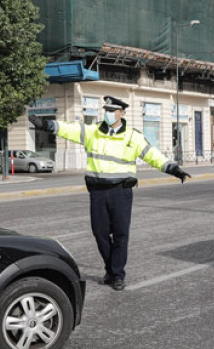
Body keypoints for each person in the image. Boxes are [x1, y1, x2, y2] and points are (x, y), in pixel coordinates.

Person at [30, 95, 191, 291]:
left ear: (122, 113)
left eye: (112, 110)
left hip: (121, 191)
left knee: (121, 234)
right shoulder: (93, 131)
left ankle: (117, 275)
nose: (107, 114)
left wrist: (172, 168)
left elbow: (151, 154)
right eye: (105, 110)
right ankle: (111, 268)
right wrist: (46, 124)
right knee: (100, 234)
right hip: (97, 191)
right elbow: (69, 129)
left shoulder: (132, 135)